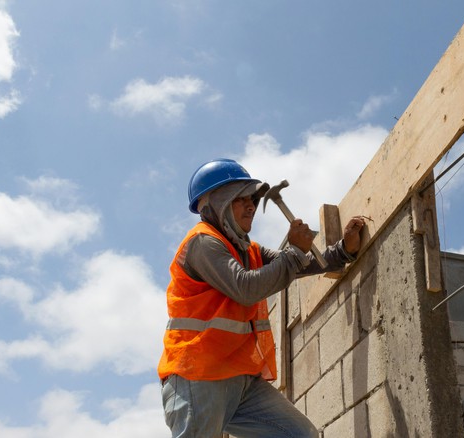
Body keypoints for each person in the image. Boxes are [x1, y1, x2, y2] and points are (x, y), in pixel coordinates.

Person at [157, 158, 366, 438]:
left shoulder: (249, 250)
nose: (251, 205)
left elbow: (297, 264)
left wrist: (342, 251)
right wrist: (294, 252)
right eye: (240, 198)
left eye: (253, 199)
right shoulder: (203, 243)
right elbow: (246, 288)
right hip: (199, 375)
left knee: (300, 435)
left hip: (242, 380)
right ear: (215, 203)